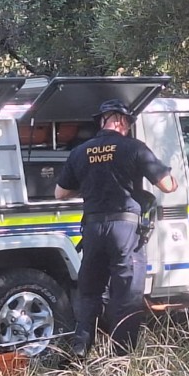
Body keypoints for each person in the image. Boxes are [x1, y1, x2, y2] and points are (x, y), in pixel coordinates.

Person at [55, 99, 178, 358]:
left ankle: (80, 348)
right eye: (128, 123)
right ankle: (122, 358)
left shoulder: (80, 152)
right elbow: (167, 185)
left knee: (90, 292)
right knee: (127, 294)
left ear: (102, 120)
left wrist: (90, 182)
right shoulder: (133, 148)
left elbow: (60, 193)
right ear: (121, 121)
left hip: (92, 229)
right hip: (124, 231)